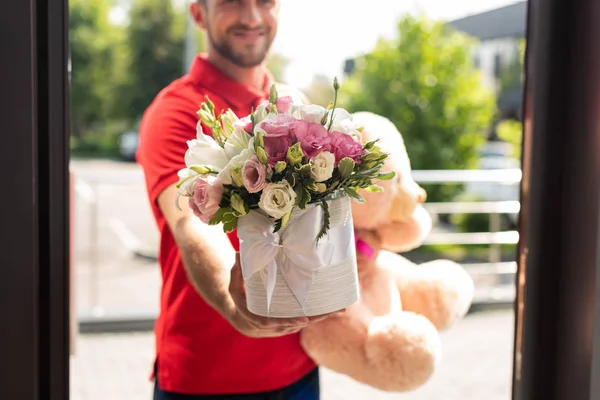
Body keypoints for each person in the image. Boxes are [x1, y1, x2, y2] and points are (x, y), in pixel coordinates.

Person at [136, 1, 337, 398]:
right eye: (232, 2)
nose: (252, 16)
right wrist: (233, 302)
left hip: (299, 371)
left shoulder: (296, 106)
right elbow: (190, 223)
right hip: (204, 379)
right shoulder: (175, 111)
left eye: (265, 1)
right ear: (198, 13)